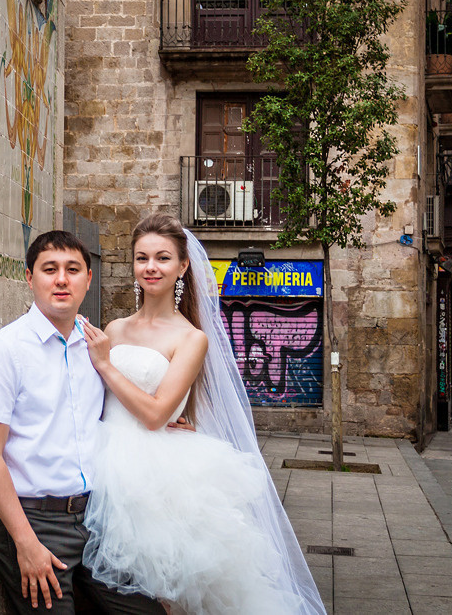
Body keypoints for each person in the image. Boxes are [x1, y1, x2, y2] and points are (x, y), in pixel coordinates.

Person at [77, 213, 325, 615]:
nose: (150, 268)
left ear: (183, 265)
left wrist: (106, 366)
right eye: (142, 258)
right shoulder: (116, 329)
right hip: (102, 458)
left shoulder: (191, 338)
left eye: (162, 258)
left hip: (153, 475)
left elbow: (156, 414)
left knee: (164, 595)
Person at [0, 230, 167, 614]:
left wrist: (173, 425)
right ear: (30, 278)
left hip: (97, 517)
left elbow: (115, 411)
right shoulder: (5, 349)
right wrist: (26, 544)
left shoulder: (95, 346)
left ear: (88, 279)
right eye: (50, 269)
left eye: (73, 269)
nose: (62, 279)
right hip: (36, 521)